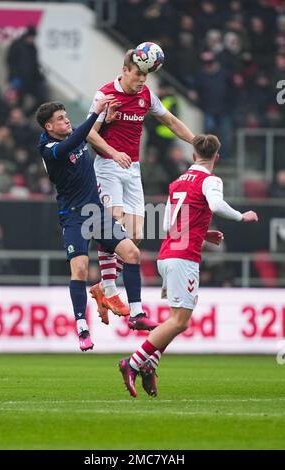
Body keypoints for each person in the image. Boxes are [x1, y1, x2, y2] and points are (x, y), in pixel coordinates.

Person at [118, 134, 258, 397]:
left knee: (177, 320)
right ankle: (134, 363)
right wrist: (242, 216)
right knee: (180, 322)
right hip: (183, 258)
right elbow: (216, 205)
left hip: (167, 254)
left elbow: (166, 224)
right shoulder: (210, 179)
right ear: (216, 157)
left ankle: (150, 365)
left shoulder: (178, 182)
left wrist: (203, 234)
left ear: (194, 156)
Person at [87, 48, 195, 330]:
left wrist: (196, 141)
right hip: (109, 166)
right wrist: (112, 151)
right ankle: (111, 289)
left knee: (134, 238)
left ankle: (101, 287)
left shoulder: (146, 97)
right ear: (124, 70)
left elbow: (170, 121)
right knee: (113, 224)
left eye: (145, 75)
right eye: (137, 74)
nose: (141, 80)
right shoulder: (105, 94)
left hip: (133, 170)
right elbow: (88, 133)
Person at [36, 97, 146, 352]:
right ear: (49, 127)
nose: (66, 120)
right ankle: (82, 326)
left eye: (66, 116)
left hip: (97, 212)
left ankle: (137, 313)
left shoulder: (73, 134)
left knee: (133, 253)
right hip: (74, 216)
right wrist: (95, 113)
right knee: (81, 269)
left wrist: (105, 119)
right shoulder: (50, 149)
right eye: (60, 119)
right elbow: (78, 139)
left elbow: (88, 135)